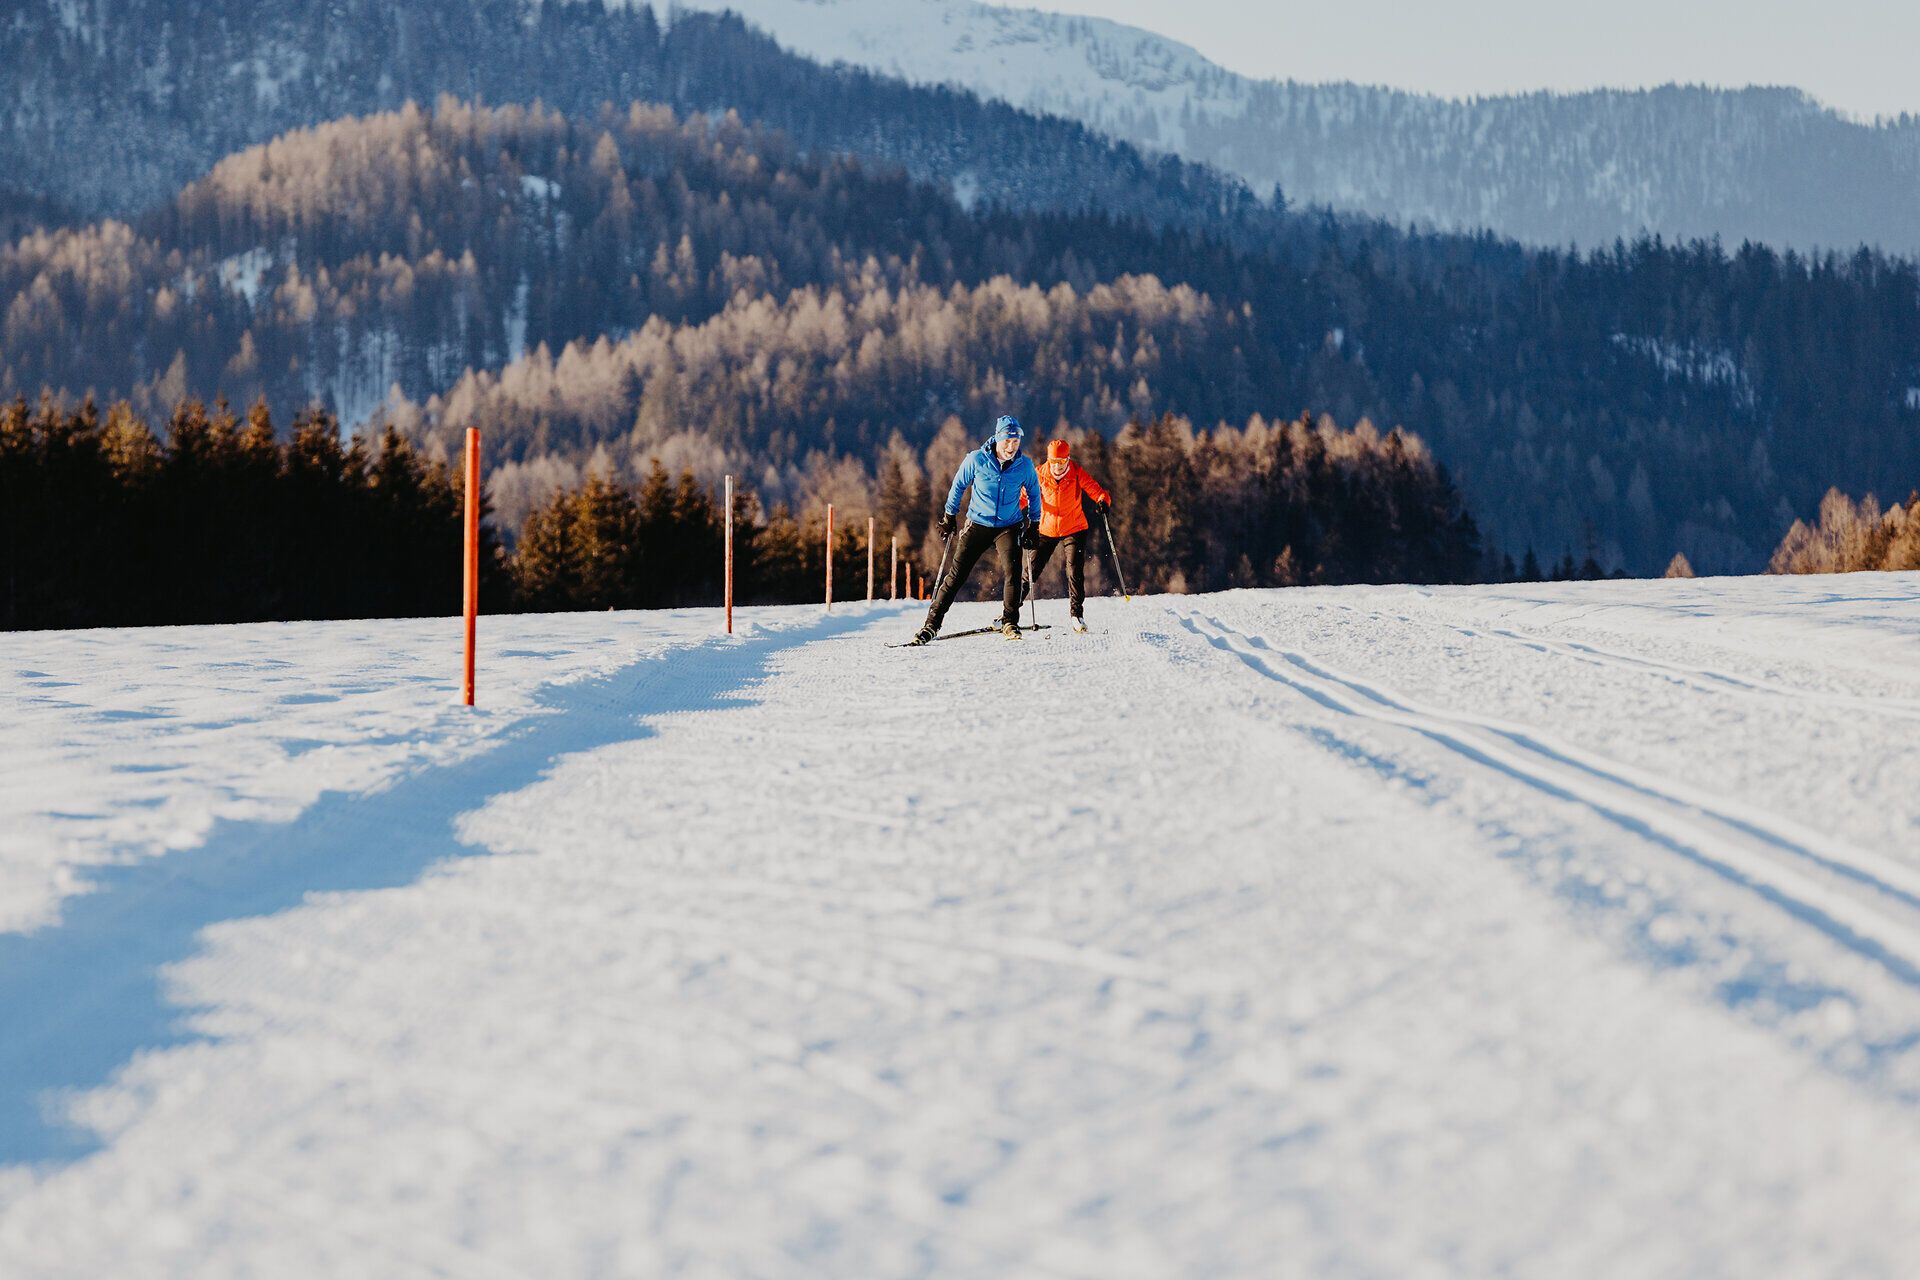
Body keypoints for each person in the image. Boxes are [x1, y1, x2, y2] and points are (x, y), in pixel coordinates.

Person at [910, 415, 1044, 644]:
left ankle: (1010, 621)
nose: (1011, 447)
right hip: (978, 524)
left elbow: (1034, 493)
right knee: (956, 575)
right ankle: (931, 625)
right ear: (997, 438)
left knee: (1013, 573)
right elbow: (958, 486)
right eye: (1007, 441)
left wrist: (1034, 525)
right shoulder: (976, 459)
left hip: (1008, 526)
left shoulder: (1025, 465)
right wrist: (949, 516)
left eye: (1016, 441)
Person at [1021, 438, 1112, 633]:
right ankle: (1009, 613)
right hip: (1046, 529)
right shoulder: (1039, 474)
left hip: (1074, 527)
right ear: (1048, 460)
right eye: (1054, 462)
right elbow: (1021, 497)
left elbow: (1097, 491)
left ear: (1068, 459)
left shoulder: (1076, 472)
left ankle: (1076, 615)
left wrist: (1103, 501)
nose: (1058, 466)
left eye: (1062, 462)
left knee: (1074, 570)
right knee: (1031, 571)